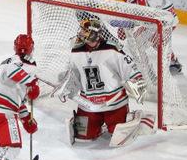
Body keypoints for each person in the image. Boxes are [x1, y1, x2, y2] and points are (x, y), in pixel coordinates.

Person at [53, 16, 147, 145]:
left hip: (114, 103)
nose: (81, 33)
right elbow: (72, 73)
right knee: (83, 136)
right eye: (82, 30)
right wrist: (66, 85)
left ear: (93, 34)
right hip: (88, 104)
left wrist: (136, 81)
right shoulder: (75, 51)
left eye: (85, 31)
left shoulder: (112, 49)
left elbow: (130, 67)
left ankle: (133, 117)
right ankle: (98, 125)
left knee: (117, 135)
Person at [115, 0, 182, 74]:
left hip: (167, 18)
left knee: (148, 42)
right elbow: (135, 11)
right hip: (154, 19)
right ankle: (150, 66)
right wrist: (125, 25)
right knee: (141, 40)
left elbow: (144, 8)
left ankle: (164, 65)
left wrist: (127, 23)